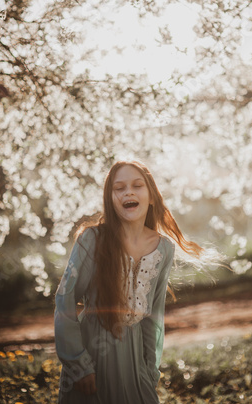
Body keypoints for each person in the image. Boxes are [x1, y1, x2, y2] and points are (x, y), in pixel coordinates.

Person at [54, 160, 203, 403]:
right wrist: (78, 363)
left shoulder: (164, 248)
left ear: (152, 196)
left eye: (137, 186)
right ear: (111, 199)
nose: (128, 192)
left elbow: (154, 316)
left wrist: (149, 368)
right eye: (119, 188)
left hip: (135, 362)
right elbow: (64, 299)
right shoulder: (92, 239)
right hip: (93, 356)